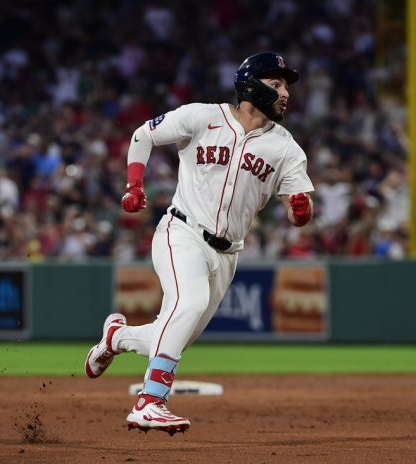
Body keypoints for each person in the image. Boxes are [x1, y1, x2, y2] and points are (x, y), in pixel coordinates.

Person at [84, 52, 314, 434]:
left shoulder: (287, 148)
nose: (286, 93)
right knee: (189, 305)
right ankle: (150, 401)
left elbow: (297, 211)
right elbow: (143, 135)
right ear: (251, 86)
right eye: (276, 84)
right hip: (182, 231)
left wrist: (301, 211)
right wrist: (134, 184)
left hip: (227, 255)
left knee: (172, 334)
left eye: (287, 85)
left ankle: (116, 337)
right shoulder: (203, 117)